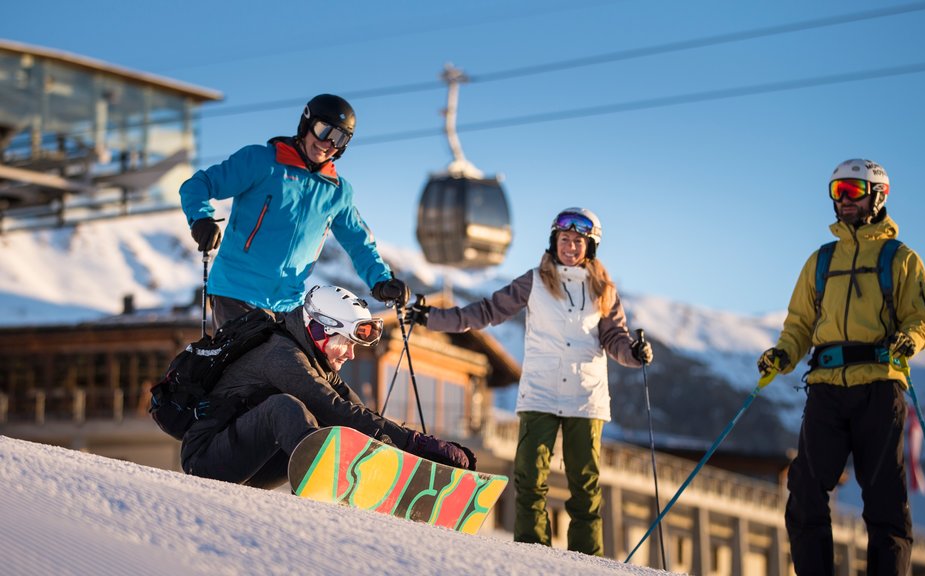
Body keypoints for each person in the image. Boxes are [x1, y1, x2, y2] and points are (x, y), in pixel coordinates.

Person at [404, 207, 653, 556]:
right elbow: (486, 311)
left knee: (585, 484)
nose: (570, 246)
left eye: (578, 241)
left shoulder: (603, 290)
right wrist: (434, 318)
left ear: (590, 247)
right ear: (554, 241)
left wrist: (634, 353)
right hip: (541, 393)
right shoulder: (534, 281)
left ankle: (587, 560)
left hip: (586, 397)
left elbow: (616, 339)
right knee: (530, 479)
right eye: (564, 239)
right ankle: (532, 555)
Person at [757, 159, 925, 575]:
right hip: (826, 390)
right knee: (805, 490)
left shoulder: (901, 259)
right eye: (838, 192)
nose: (844, 200)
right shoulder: (820, 261)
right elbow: (799, 324)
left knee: (885, 501)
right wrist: (784, 354)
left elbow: (920, 320)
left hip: (879, 387)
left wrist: (911, 340)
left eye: (853, 191)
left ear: (878, 195)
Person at [181, 284, 474, 490]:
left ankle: (371, 475)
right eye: (347, 342)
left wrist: (415, 450)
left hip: (250, 464)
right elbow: (333, 408)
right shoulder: (282, 356)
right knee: (289, 408)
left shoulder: (314, 357)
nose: (351, 354)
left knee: (345, 424)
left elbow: (356, 411)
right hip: (207, 462)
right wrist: (415, 443)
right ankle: (329, 484)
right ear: (322, 330)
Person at [179, 93, 409, 330]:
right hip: (237, 291)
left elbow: (360, 244)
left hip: (289, 304)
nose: (328, 143)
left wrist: (382, 281)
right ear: (306, 124)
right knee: (254, 361)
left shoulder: (337, 193)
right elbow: (197, 185)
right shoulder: (261, 162)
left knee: (296, 366)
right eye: (323, 130)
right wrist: (200, 218)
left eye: (339, 137)